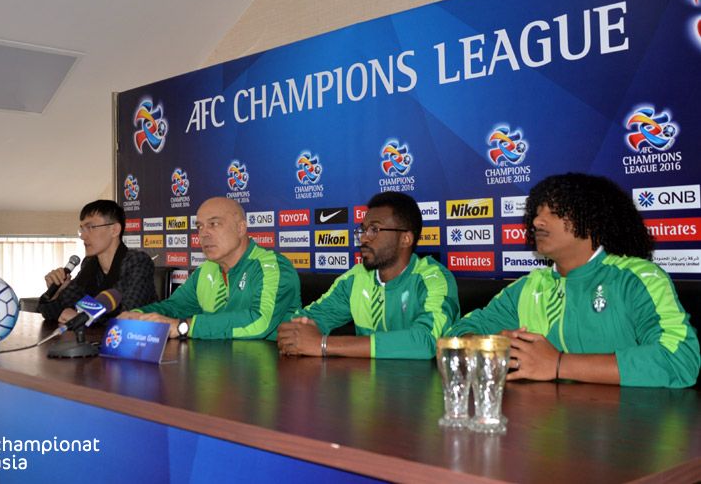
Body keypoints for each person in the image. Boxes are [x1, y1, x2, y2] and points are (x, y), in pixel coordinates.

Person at [449, 173, 700, 388]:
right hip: (543, 433)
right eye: (536, 213)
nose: (537, 221)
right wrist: (489, 345)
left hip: (629, 433)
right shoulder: (528, 287)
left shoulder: (637, 279)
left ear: (591, 221)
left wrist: (558, 364)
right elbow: (456, 335)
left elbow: (679, 359)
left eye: (555, 212)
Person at [277, 191, 459, 359]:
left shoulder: (433, 279)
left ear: (405, 239)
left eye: (374, 230)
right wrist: (297, 332)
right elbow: (304, 320)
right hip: (365, 389)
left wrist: (324, 345)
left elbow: (427, 342)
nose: (363, 238)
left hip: (422, 390)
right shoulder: (356, 278)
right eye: (363, 230)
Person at [122, 197, 301, 340]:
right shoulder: (205, 271)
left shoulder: (273, 267)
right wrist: (138, 317)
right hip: (218, 369)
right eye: (200, 227)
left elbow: (259, 321)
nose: (204, 233)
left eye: (214, 224)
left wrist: (184, 326)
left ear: (240, 228)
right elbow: (175, 307)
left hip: (271, 372)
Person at [38, 199, 156, 323]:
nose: (83, 236)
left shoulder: (138, 262)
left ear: (114, 230)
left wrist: (82, 318)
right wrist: (56, 294)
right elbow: (50, 312)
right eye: (82, 229)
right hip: (93, 340)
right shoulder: (89, 264)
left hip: (137, 340)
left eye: (90, 227)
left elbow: (127, 316)